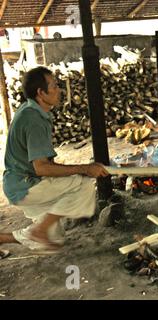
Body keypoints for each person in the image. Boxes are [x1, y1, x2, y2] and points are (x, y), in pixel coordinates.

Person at [0, 66, 109, 253]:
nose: (59, 90)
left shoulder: (29, 109)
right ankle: (41, 229)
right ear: (40, 93)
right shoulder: (33, 119)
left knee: (55, 239)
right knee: (83, 184)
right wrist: (85, 168)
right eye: (54, 86)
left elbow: (44, 164)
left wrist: (79, 169)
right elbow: (41, 168)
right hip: (25, 185)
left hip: (19, 183)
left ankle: (5, 238)